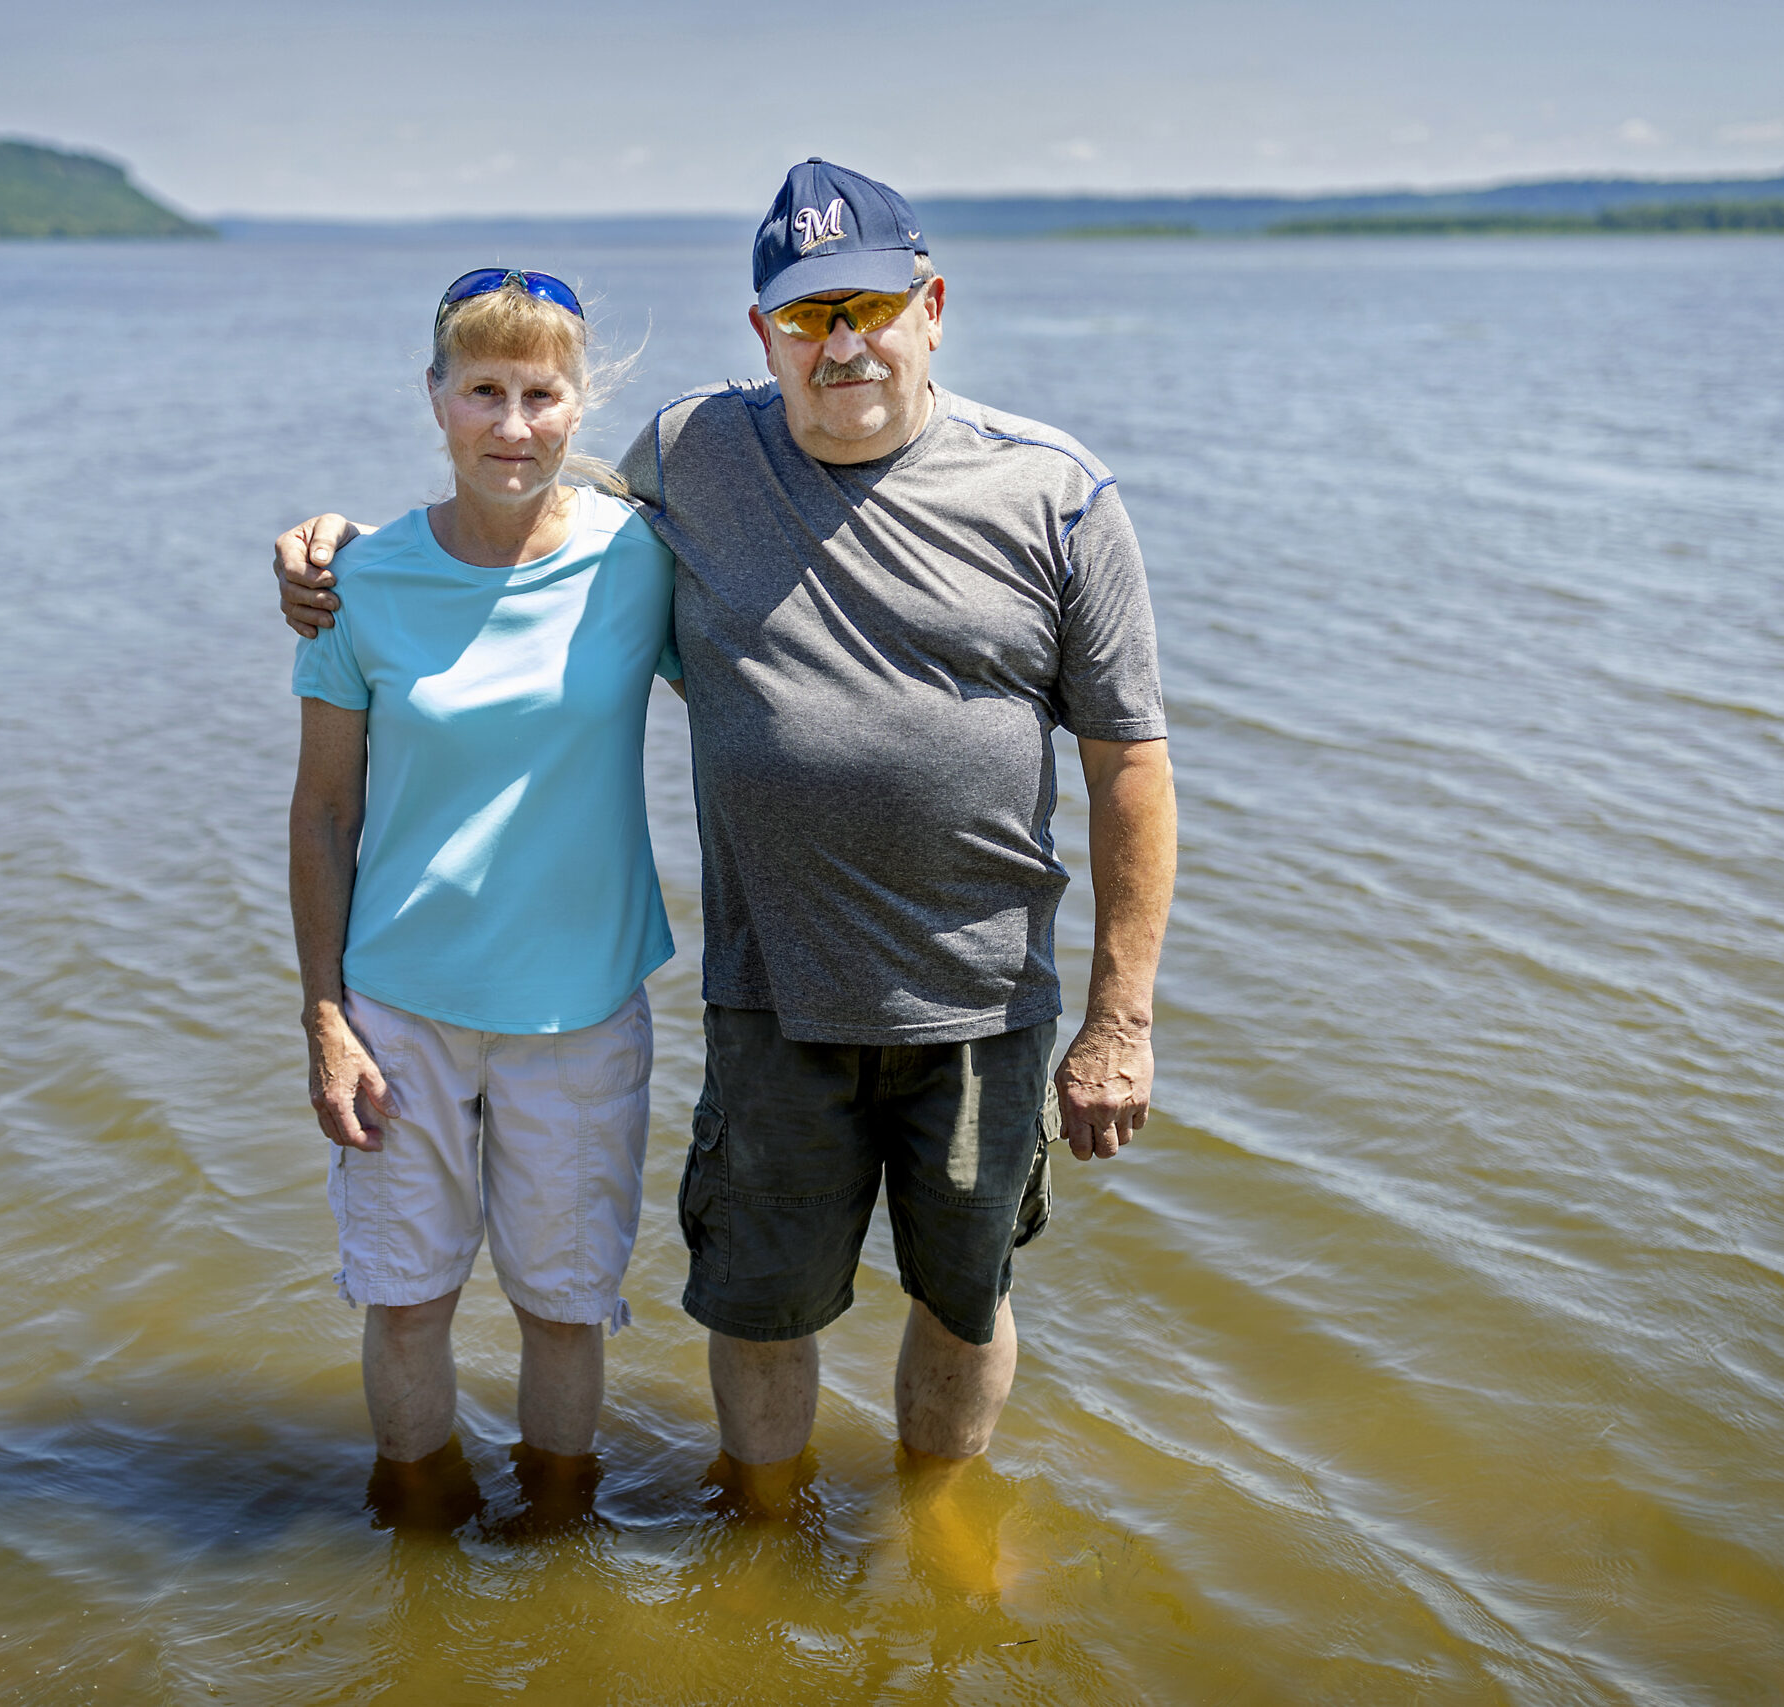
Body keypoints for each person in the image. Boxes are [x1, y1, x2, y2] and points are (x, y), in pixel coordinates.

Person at [278, 161, 1177, 1507]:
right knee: (751, 1306)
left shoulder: (1047, 493)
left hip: (975, 995)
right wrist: (330, 547)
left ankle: (930, 1532)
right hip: (760, 995)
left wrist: (1123, 1016)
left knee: (962, 1295)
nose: (843, 343)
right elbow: (487, 561)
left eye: (870, 306)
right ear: (764, 334)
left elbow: (1130, 766)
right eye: (808, 316)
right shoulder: (692, 460)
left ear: (932, 306)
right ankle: (740, 1543)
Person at [284, 266, 681, 1517]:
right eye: (483, 393)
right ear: (436, 399)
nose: (512, 426)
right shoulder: (359, 581)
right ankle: (418, 1546)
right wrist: (323, 1016)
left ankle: (559, 1546)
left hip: (582, 1008)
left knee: (565, 1313)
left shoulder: (642, 559)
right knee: (406, 1303)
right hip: (399, 1006)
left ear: (578, 406)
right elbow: (324, 810)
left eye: (541, 394)